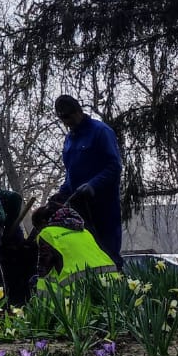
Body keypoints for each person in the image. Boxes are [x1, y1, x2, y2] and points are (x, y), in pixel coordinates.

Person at [49, 96, 124, 267]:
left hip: (103, 206)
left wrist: (93, 185)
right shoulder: (69, 140)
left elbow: (114, 166)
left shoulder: (101, 131)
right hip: (79, 209)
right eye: (62, 119)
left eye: (68, 117)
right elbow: (71, 174)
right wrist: (61, 193)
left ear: (78, 112)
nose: (67, 123)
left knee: (108, 254)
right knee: (86, 256)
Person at [31, 202, 118, 289]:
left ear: (43, 222)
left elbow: (44, 270)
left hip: (78, 289)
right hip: (109, 280)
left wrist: (39, 292)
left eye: (37, 228)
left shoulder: (47, 233)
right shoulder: (84, 231)